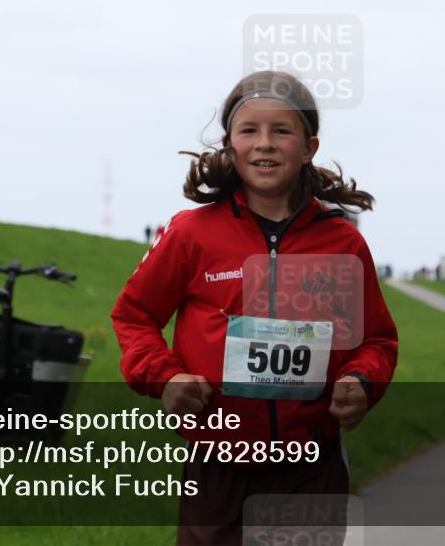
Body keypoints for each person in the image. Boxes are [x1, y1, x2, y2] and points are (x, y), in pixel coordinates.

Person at [110, 70, 398, 545]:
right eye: (249, 130)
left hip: (311, 466)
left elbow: (377, 340)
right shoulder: (190, 233)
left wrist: (362, 381)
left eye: (281, 130)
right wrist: (165, 377)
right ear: (230, 145)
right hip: (217, 466)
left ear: (308, 148)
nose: (265, 143)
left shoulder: (343, 243)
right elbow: (134, 316)